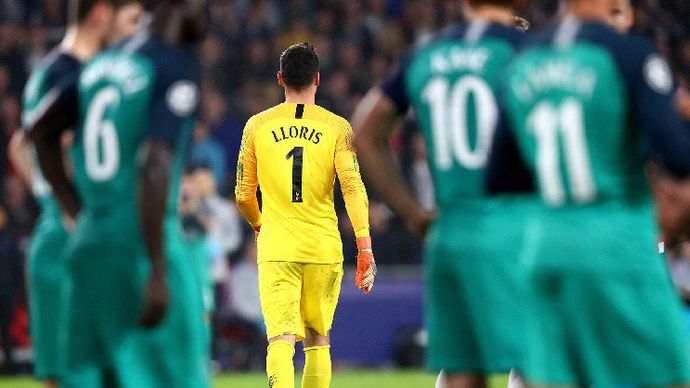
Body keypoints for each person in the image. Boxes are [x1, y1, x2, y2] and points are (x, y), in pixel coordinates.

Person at [488, 0, 690, 385]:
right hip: (618, 245)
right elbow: (679, 157)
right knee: (668, 376)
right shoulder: (629, 55)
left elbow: (499, 175)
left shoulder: (524, 61)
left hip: (546, 249)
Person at [26, 1, 210, 387]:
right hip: (141, 241)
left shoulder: (103, 63)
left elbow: (39, 129)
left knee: (89, 378)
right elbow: (154, 162)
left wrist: (76, 209)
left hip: (89, 243)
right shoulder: (172, 64)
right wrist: (158, 268)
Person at [353, 1, 531, 387]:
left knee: (460, 370)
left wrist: (413, 213)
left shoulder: (426, 54)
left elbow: (364, 131)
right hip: (518, 230)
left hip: (451, 233)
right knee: (540, 360)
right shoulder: (529, 54)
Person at [9, 1, 143, 386]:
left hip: (59, 237)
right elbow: (58, 142)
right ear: (102, 13)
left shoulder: (48, 71)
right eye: (131, 20)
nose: (134, 32)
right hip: (79, 241)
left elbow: (21, 143)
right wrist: (71, 208)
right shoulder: (78, 74)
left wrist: (48, 197)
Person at [234, 42, 376, 388]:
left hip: (277, 246)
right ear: (317, 79)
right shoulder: (337, 128)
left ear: (280, 79)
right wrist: (365, 245)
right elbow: (353, 188)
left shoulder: (256, 126)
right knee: (317, 338)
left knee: (280, 338)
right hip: (322, 248)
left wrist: (258, 225)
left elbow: (243, 194)